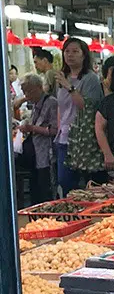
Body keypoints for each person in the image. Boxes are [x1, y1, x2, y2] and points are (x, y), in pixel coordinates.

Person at [55, 37, 103, 194]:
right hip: (64, 137)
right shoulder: (62, 77)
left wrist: (69, 87)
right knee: (64, 180)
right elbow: (60, 107)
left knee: (84, 181)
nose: (70, 55)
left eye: (75, 51)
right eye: (67, 51)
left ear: (84, 55)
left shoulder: (90, 79)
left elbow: (86, 106)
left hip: (83, 139)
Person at [19, 73, 57, 205]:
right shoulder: (35, 104)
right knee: (35, 187)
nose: (26, 95)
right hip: (36, 153)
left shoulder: (51, 103)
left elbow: (54, 130)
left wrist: (32, 128)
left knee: (45, 189)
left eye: (29, 91)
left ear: (39, 87)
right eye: (24, 91)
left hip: (47, 153)